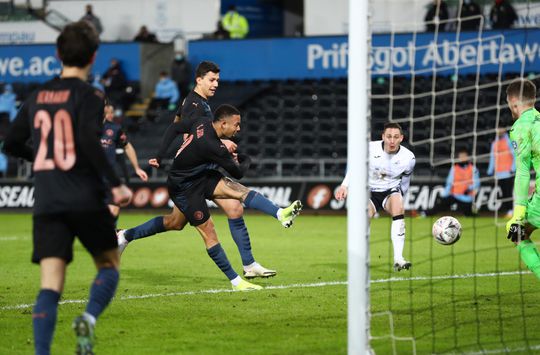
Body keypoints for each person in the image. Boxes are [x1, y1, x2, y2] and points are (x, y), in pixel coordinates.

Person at [2, 21, 132, 355]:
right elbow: (88, 141)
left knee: (50, 284)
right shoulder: (90, 96)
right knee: (108, 264)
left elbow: (12, 142)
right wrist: (116, 185)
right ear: (93, 56)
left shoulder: (38, 95)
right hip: (84, 196)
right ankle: (88, 318)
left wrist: (42, 156)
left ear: (58, 54)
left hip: (47, 200)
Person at [118, 61, 300, 286]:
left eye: (218, 81)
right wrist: (214, 143)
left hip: (197, 169)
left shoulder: (193, 102)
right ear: (199, 80)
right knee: (193, 223)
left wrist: (168, 152)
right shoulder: (196, 105)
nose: (216, 85)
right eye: (212, 80)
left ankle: (251, 263)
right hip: (190, 176)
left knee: (203, 215)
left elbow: (177, 125)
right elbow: (191, 132)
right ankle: (239, 276)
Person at [148, 103, 302, 291]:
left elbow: (174, 127)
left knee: (238, 191)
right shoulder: (213, 146)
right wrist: (245, 159)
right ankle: (236, 282)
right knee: (206, 231)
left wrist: (159, 155)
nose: (239, 129)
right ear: (222, 124)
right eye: (236, 125)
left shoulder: (202, 122)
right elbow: (238, 171)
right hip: (184, 188)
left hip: (199, 176)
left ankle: (279, 213)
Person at [334, 123, 416, 271]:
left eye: (396, 137)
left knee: (399, 209)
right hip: (368, 190)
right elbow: (355, 168)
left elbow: (405, 181)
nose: (392, 140)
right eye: (389, 136)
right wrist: (345, 186)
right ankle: (361, 258)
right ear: (383, 136)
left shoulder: (408, 158)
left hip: (390, 190)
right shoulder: (369, 148)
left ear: (401, 138)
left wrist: (400, 197)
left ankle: (399, 258)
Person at [505, 79, 540, 280]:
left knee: (517, 232)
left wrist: (517, 215)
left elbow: (523, 172)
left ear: (513, 101)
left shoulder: (521, 126)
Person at [101, 102, 148, 222]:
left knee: (114, 209)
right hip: (92, 177)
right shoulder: (86, 127)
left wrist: (137, 168)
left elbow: (127, 146)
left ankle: (109, 236)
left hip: (110, 177)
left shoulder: (114, 128)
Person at [428, 148, 480, 216]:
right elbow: (449, 182)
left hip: (466, 197)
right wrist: (445, 194)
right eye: (461, 156)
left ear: (468, 157)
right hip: (454, 195)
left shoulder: (473, 169)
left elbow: (477, 183)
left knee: (469, 214)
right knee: (440, 206)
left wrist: (468, 188)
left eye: (464, 156)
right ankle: (425, 214)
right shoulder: (454, 168)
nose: (463, 158)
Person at [487, 127, 515, 217]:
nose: (499, 131)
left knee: (508, 192)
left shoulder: (510, 141)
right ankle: (508, 210)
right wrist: (490, 170)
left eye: (501, 129)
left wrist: (513, 168)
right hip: (498, 174)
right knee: (503, 193)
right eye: (498, 129)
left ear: (504, 130)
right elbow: (492, 157)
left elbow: (515, 154)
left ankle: (511, 210)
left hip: (508, 173)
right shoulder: (494, 143)